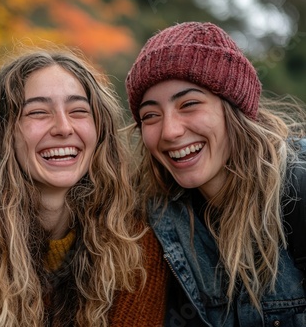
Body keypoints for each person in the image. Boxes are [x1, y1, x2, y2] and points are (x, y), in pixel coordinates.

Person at [0, 48, 169, 326]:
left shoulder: (133, 239)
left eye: (78, 111)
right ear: (0, 132)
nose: (63, 128)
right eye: (38, 112)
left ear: (100, 131)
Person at [125, 21, 306, 326]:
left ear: (233, 109)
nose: (169, 131)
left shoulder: (297, 191)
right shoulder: (155, 222)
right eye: (151, 115)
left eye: (189, 104)